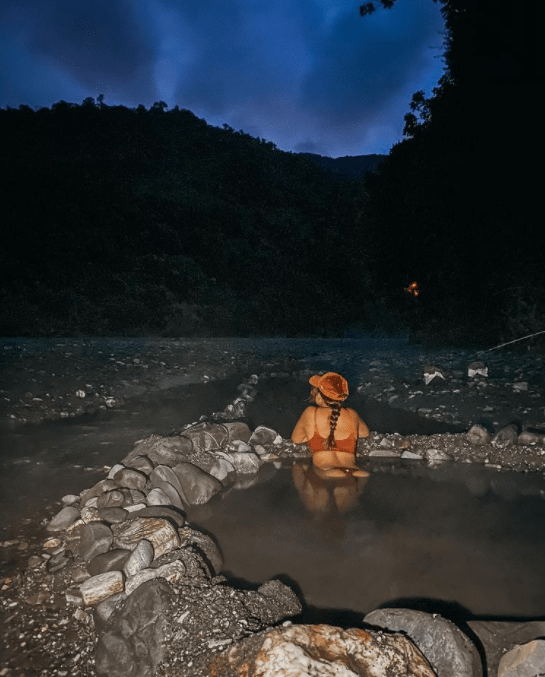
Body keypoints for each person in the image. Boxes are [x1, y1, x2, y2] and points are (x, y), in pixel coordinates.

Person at [291, 372, 370, 478]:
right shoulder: (352, 414)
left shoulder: (310, 412)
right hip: (354, 469)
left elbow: (296, 439)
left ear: (319, 397)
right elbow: (365, 433)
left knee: (306, 489)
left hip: (326, 470)